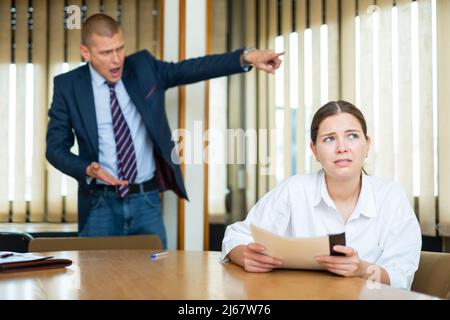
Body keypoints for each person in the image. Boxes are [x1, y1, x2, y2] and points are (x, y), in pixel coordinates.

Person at [46, 14, 283, 248]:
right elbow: (55, 148)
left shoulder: (143, 67)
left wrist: (246, 57)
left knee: (157, 279)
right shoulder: (68, 86)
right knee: (97, 282)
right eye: (106, 53)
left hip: (146, 200)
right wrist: (86, 168)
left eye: (120, 49)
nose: (116, 60)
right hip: (99, 203)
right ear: (86, 52)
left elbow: (191, 68)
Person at [221, 100, 422, 289]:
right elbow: (236, 234)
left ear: (367, 145)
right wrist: (244, 255)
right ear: (314, 150)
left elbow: (401, 277)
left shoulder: (391, 197)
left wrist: (362, 270)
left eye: (352, 136)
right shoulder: (294, 191)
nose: (342, 148)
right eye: (329, 139)